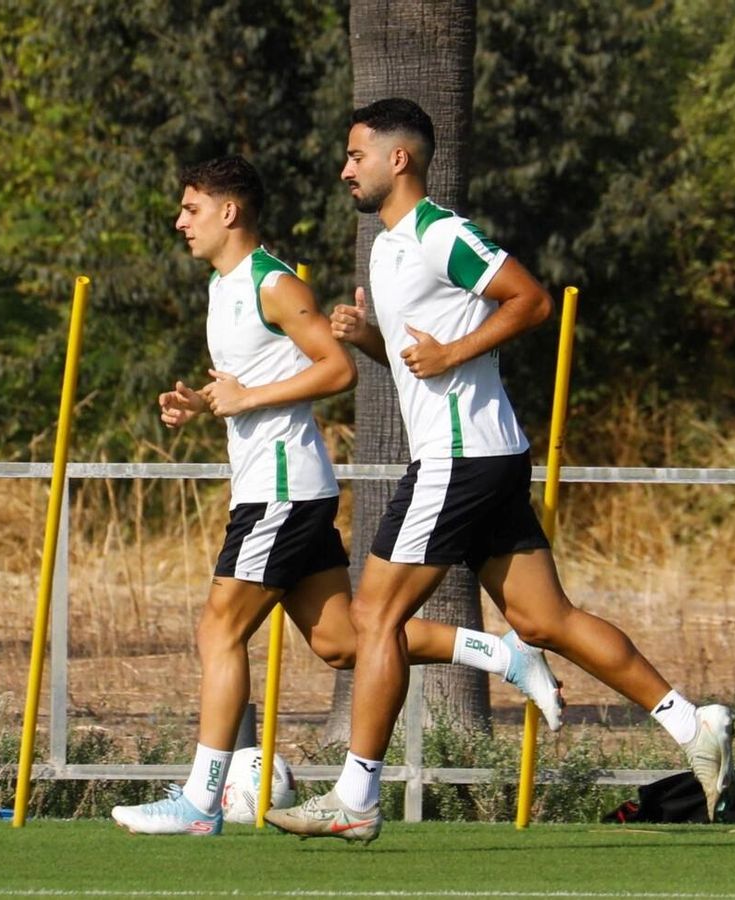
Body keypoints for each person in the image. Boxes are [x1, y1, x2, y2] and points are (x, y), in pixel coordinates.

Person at [264, 99, 734, 844]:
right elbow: (426, 360)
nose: (344, 168)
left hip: (461, 459)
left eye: (357, 155)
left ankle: (356, 795)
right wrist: (373, 342)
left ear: (400, 160)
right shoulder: (386, 248)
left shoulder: (438, 232)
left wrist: (452, 354)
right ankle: (692, 723)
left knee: (374, 618)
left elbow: (531, 299)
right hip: (482, 454)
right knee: (544, 620)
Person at [110, 155, 563, 836]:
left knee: (218, 627)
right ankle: (499, 653)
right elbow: (256, 383)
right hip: (280, 489)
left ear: (229, 212)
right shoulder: (221, 286)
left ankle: (200, 803)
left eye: (190, 208)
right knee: (345, 644)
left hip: (281, 492)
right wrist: (204, 403)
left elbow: (337, 368)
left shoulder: (274, 282)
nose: (180, 222)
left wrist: (246, 397)